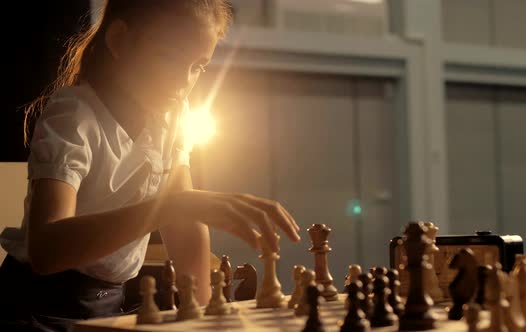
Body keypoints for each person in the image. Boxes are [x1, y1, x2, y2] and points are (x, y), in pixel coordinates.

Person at [0, 1, 301, 331]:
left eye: (198, 67)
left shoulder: (173, 115)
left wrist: (202, 314)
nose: (183, 82)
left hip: (108, 307)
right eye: (169, 58)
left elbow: (185, 227)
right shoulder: (74, 115)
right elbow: (47, 251)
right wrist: (170, 207)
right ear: (119, 40)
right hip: (36, 309)